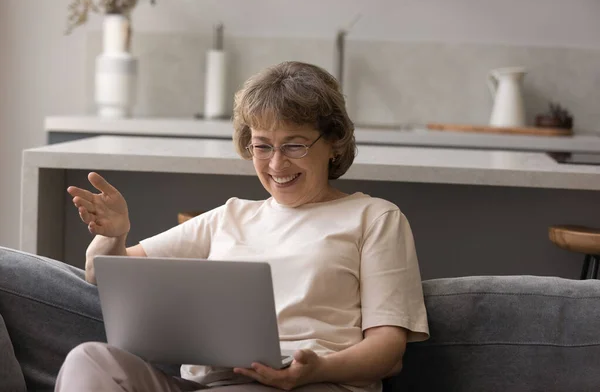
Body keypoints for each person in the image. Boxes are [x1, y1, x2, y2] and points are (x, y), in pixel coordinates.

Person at [0, 61, 429, 392]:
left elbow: (388, 354)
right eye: (262, 146)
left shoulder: (375, 218)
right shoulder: (231, 216)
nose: (276, 164)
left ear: (334, 142)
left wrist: (315, 369)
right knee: (89, 361)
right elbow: (103, 274)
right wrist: (114, 234)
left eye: (294, 145)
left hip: (313, 385)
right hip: (208, 383)